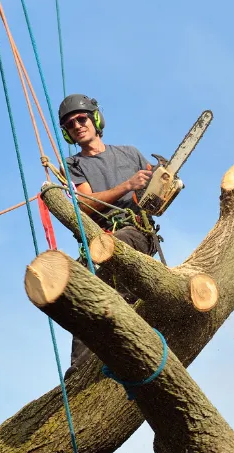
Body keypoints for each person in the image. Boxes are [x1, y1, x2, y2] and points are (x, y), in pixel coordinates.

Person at [58, 93, 160, 367]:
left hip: (133, 231)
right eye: (70, 124)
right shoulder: (73, 165)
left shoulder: (130, 153)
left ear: (95, 119)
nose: (78, 125)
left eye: (82, 119)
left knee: (120, 246)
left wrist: (162, 183)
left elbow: (156, 194)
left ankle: (131, 335)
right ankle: (81, 369)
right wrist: (127, 186)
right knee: (80, 290)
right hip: (100, 238)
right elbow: (85, 205)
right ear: (67, 133)